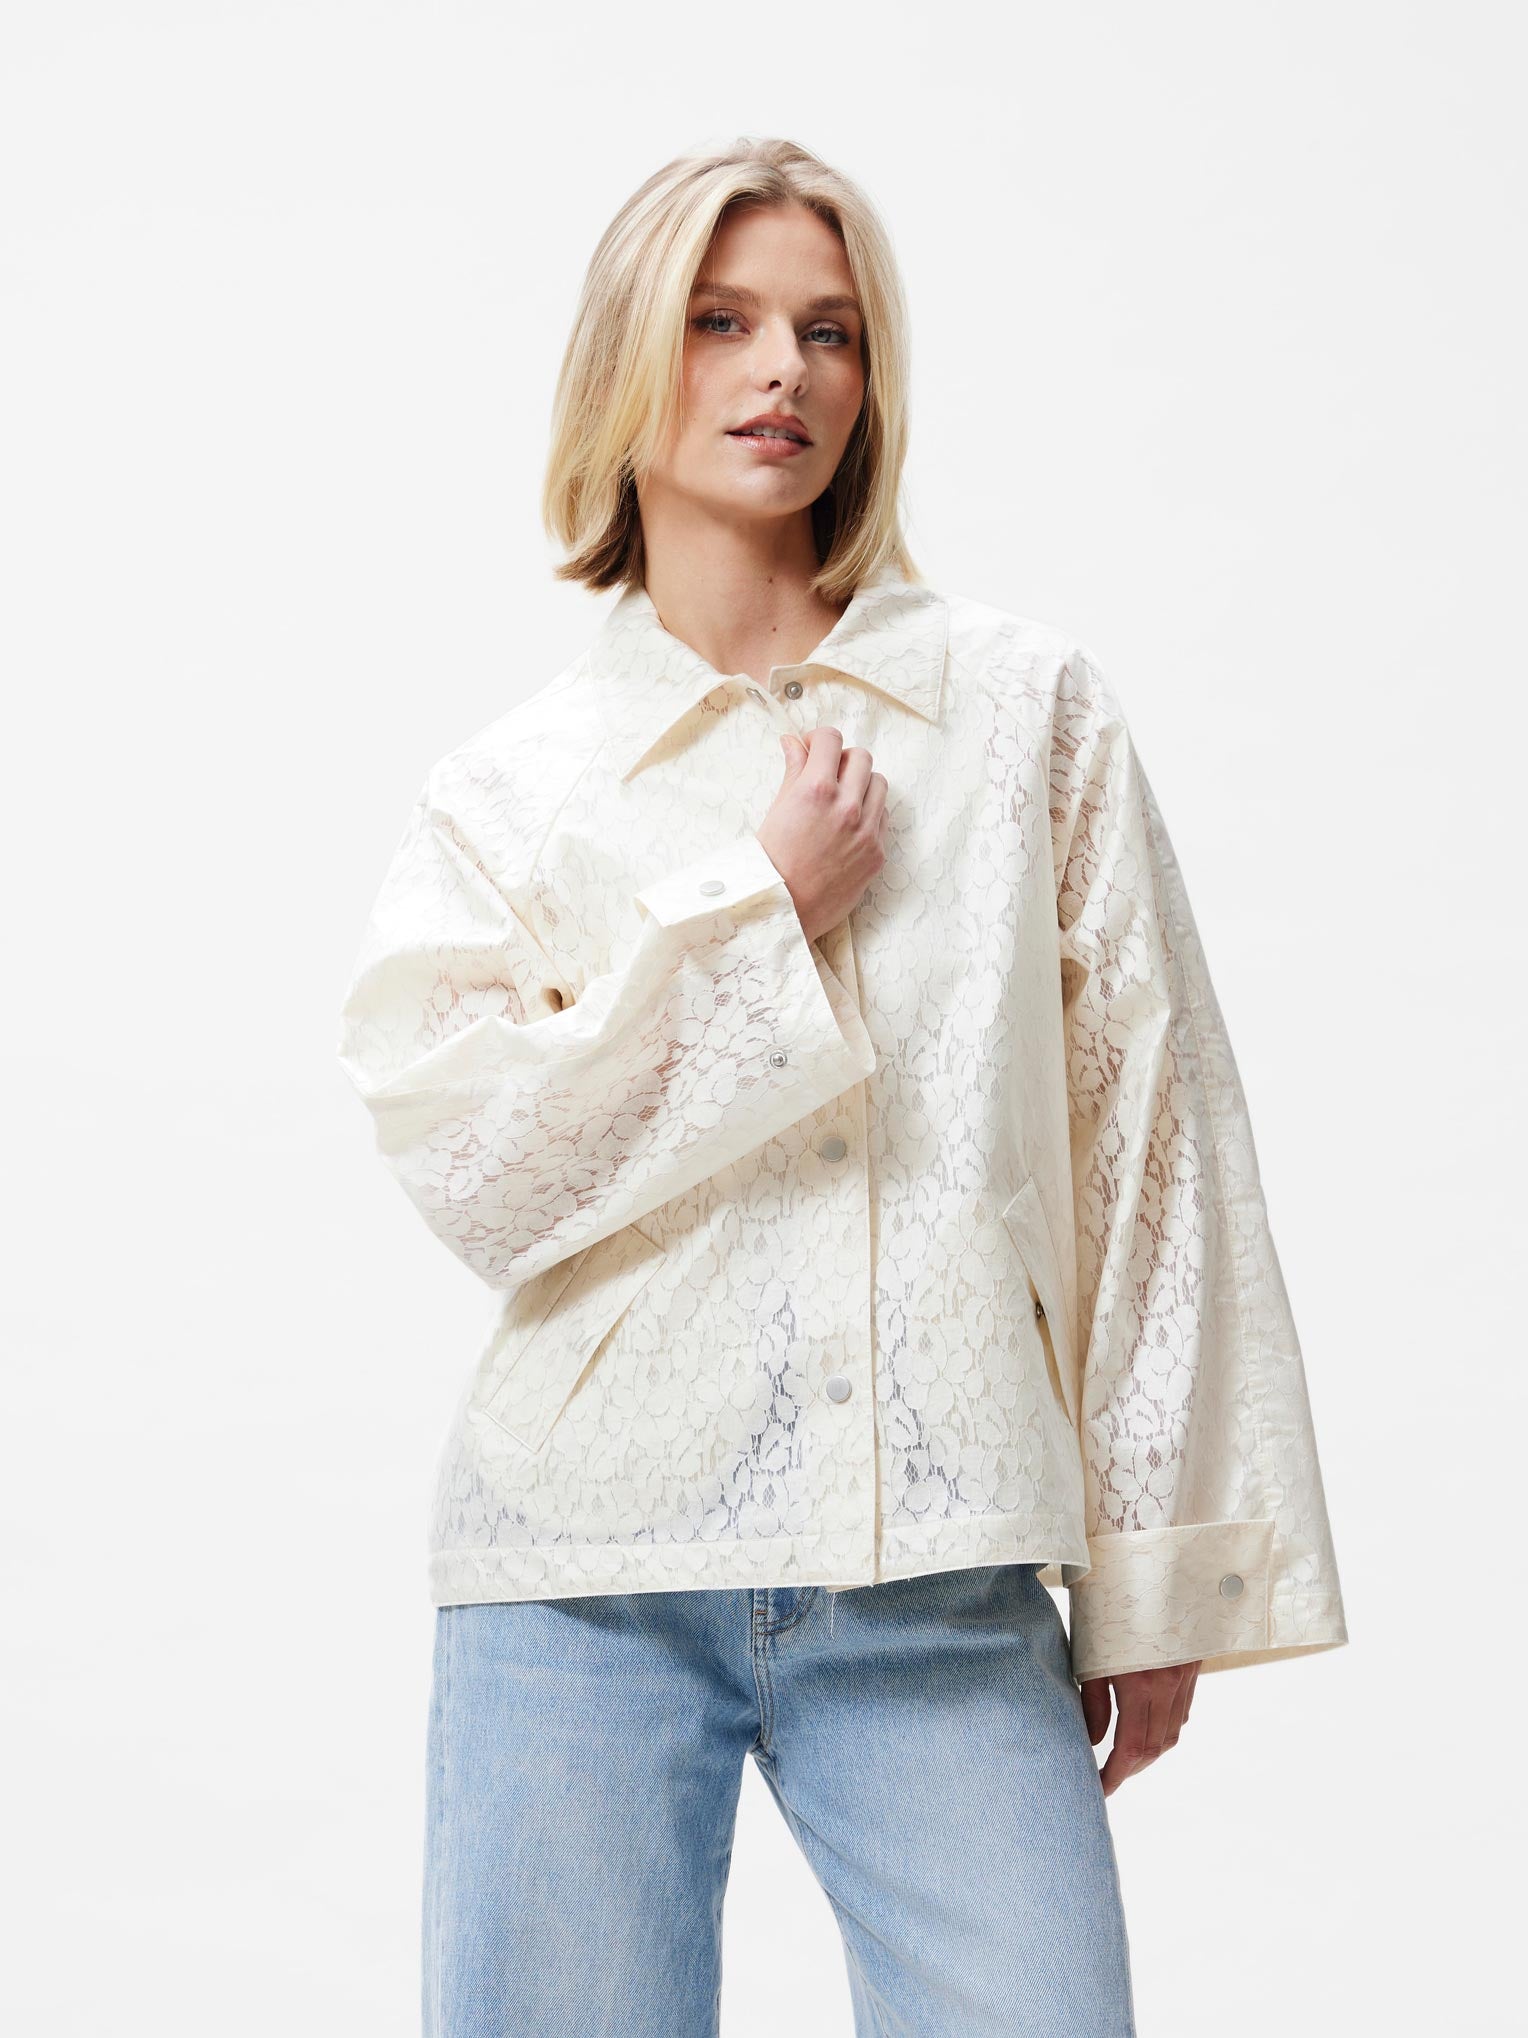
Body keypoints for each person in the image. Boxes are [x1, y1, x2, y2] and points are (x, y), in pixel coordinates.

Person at [336, 136, 1348, 2038]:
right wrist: (758, 916)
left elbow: (1151, 1141)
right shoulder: (513, 789)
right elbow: (477, 1163)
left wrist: (1155, 1573)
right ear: (626, 363)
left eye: (829, 329)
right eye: (719, 322)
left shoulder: (1024, 711)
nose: (780, 370)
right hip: (583, 1579)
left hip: (944, 1579)